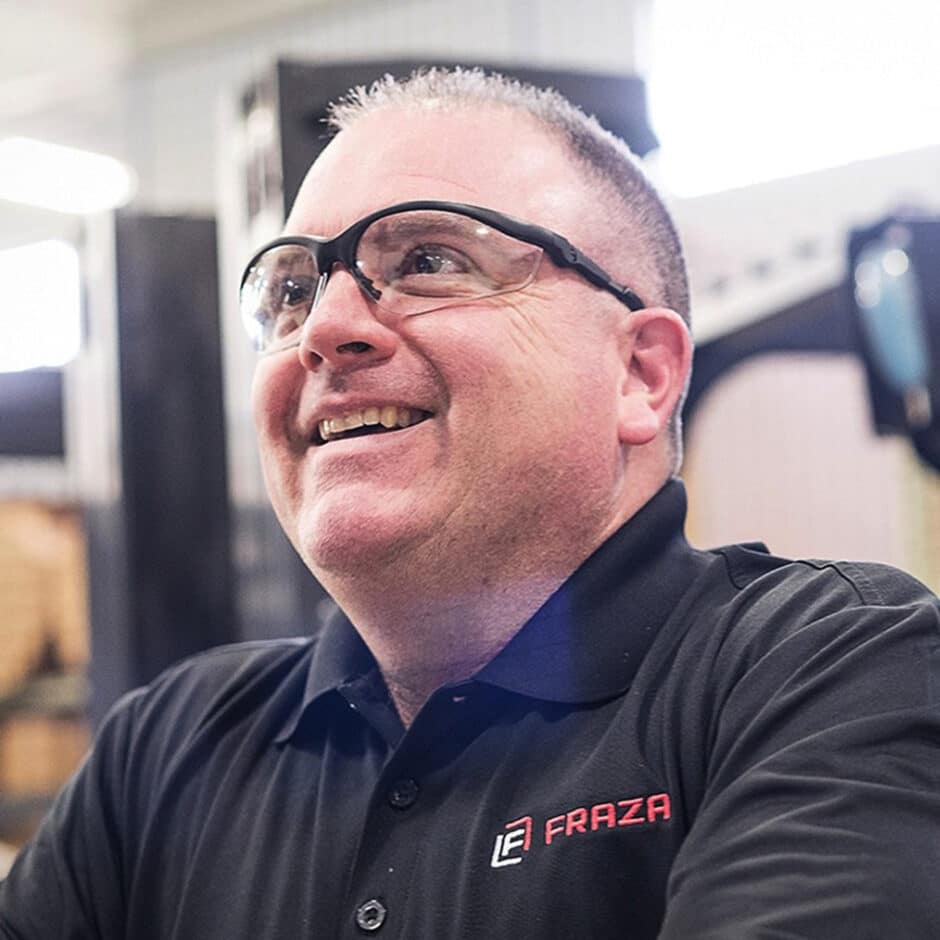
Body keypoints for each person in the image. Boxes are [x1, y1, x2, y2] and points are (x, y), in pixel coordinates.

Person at [2, 67, 939, 939]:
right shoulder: (162, 753)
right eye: (291, 290)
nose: (323, 329)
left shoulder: (829, 673)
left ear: (640, 375)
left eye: (429, 261)